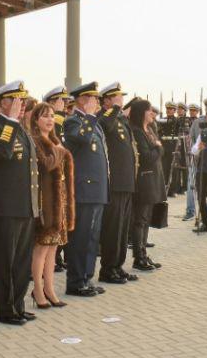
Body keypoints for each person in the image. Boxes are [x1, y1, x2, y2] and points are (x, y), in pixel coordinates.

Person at [0, 81, 40, 324]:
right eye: (16, 101)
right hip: (5, 208)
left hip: (25, 207)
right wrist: (12, 120)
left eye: (23, 101)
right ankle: (5, 310)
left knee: (21, 262)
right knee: (5, 262)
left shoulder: (21, 129)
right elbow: (3, 153)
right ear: (3, 103)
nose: (21, 105)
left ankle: (18, 305)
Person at [62, 82, 107, 298]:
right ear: (82, 100)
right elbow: (81, 138)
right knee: (80, 237)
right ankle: (75, 281)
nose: (97, 102)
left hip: (97, 190)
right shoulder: (73, 121)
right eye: (94, 98)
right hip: (84, 189)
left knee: (92, 237)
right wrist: (89, 117)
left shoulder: (93, 122)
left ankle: (87, 278)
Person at [26, 102, 73, 308]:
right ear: (36, 120)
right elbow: (46, 164)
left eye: (52, 116)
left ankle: (50, 288)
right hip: (45, 204)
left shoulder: (54, 140)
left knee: (53, 248)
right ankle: (37, 289)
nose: (49, 120)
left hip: (58, 202)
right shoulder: (36, 142)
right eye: (45, 116)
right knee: (41, 249)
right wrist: (59, 152)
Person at [96, 83, 136, 284]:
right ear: (107, 100)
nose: (121, 100)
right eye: (117, 97)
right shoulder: (103, 117)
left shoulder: (120, 118)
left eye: (121, 97)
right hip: (114, 182)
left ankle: (118, 266)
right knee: (113, 228)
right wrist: (115, 110)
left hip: (126, 181)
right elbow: (104, 127)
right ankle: (108, 268)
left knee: (122, 228)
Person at [127, 99, 163, 272]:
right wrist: (159, 148)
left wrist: (157, 147)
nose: (152, 113)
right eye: (149, 110)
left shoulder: (148, 129)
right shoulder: (137, 132)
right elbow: (147, 157)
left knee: (146, 219)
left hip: (152, 180)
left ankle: (143, 253)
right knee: (140, 220)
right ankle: (138, 257)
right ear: (142, 112)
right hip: (144, 180)